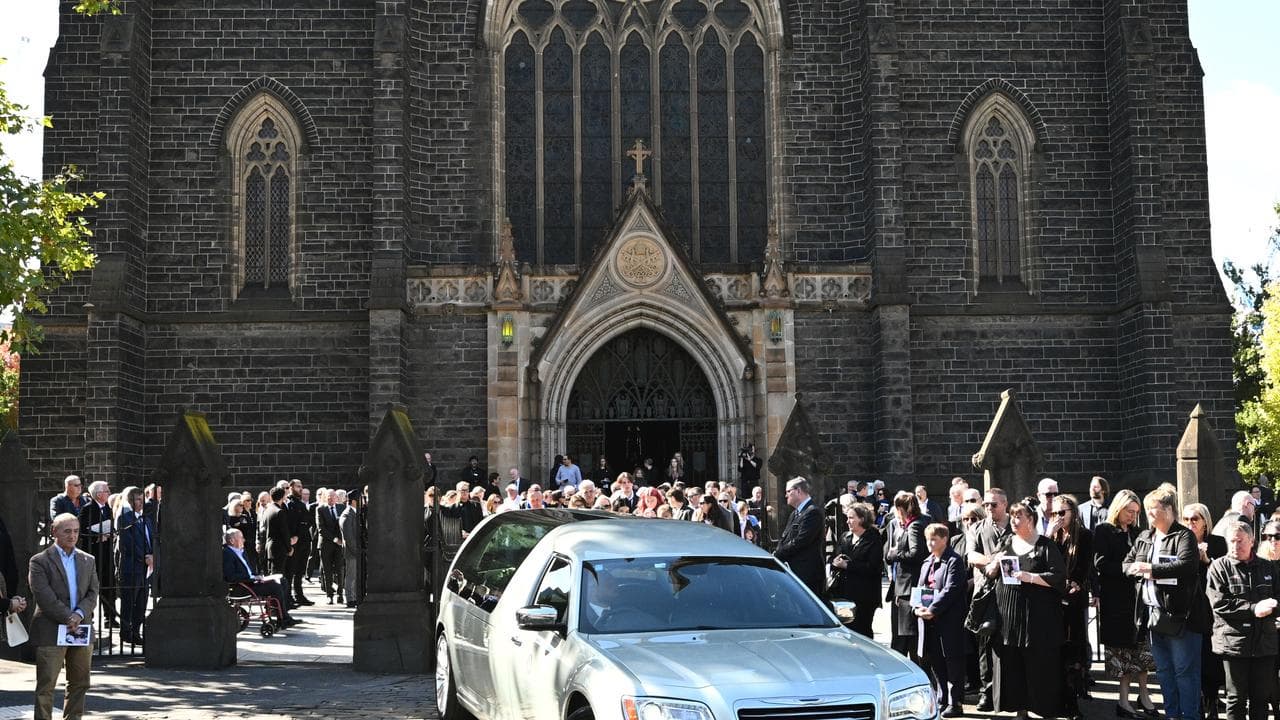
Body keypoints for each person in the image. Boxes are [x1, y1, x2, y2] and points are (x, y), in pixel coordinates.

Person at [1123, 487, 1204, 720]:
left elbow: (1187, 566)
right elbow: (1126, 565)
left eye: (1153, 508)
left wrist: (1151, 569)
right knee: (1165, 672)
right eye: (1147, 509)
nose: (1148, 513)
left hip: (1180, 617)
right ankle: (1172, 715)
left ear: (1168, 510)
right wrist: (1136, 569)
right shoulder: (1145, 537)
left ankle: (1189, 716)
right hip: (1153, 616)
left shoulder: (1183, 536)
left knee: (1184, 673)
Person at [987, 500, 1067, 720]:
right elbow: (991, 572)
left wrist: (1030, 577)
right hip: (1009, 617)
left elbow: (1059, 577)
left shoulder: (1045, 545)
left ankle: (1044, 709)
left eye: (1018, 516)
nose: (1014, 520)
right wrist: (994, 564)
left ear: (1030, 520)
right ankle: (1020, 709)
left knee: (1039, 664)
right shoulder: (1005, 542)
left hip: (1038, 619)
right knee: (1013, 664)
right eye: (1012, 516)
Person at [1094, 489, 1159, 719]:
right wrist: (1127, 568)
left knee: (1141, 652)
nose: (1132, 516)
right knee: (1122, 653)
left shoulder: (1138, 532)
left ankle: (1144, 695)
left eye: (1136, 512)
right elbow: (1101, 564)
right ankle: (1123, 701)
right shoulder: (1104, 531)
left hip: (1137, 601)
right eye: (1129, 511)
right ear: (1118, 508)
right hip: (1116, 600)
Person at [1205, 521, 1278, 720]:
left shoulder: (1267, 567)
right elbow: (1219, 604)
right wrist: (1255, 609)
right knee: (1235, 699)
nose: (1236, 546)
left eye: (1241, 541)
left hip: (1265, 643)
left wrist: (1272, 607)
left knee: (1260, 699)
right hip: (1234, 644)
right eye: (1232, 541)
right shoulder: (1219, 568)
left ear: (1252, 541)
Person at [30, 513, 100, 720]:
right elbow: (44, 596)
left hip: (80, 628)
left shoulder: (88, 559)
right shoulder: (40, 561)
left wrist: (78, 615)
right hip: (52, 629)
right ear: (54, 532)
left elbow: (93, 592)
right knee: (46, 685)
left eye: (76, 531)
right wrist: (68, 617)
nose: (72, 536)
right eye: (67, 531)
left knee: (80, 683)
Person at [914, 523, 968, 718]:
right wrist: (917, 607)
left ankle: (956, 702)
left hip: (949, 620)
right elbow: (920, 589)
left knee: (952, 661)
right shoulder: (927, 562)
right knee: (935, 660)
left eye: (934, 539)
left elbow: (951, 589)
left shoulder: (954, 561)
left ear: (944, 539)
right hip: (928, 621)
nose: (930, 543)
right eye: (928, 539)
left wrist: (933, 609)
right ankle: (942, 698)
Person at [967, 487, 1013, 711]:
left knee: (1009, 644)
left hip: (1011, 594)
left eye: (993, 504)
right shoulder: (977, 527)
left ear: (1005, 504)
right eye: (986, 504)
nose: (988, 508)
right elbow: (972, 555)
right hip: (984, 593)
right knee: (985, 644)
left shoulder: (1017, 525)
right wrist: (994, 562)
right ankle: (986, 692)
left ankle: (1008, 693)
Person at [1049, 493, 1094, 713]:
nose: (1058, 517)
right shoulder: (1054, 538)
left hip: (1074, 600)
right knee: (1056, 650)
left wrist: (1074, 582)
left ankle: (1073, 699)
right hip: (1055, 600)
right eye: (1054, 513)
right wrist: (1048, 535)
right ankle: (1059, 698)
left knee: (1074, 650)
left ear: (1073, 513)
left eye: (1062, 513)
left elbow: (1084, 567)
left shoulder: (1084, 536)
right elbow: (1046, 563)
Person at [1184, 501, 1229, 719]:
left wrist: (1207, 561)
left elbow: (1225, 574)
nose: (1190, 523)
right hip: (1189, 608)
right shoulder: (1182, 542)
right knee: (1194, 659)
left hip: (1211, 609)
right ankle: (1199, 703)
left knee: (1212, 659)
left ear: (1205, 522)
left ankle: (1212, 701)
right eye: (1186, 519)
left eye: (1195, 519)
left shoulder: (1217, 542)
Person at [222, 528, 299, 628]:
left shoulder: (242, 551)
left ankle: (280, 615)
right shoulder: (227, 554)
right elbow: (230, 576)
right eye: (241, 538)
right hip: (242, 586)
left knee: (282, 581)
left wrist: (257, 576)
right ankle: (284, 618)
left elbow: (249, 570)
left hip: (251, 582)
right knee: (275, 586)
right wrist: (252, 578)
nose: (244, 540)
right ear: (232, 541)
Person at [885, 490, 929, 658]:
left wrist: (895, 554)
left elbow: (915, 554)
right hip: (907, 586)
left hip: (909, 586)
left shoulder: (915, 526)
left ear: (900, 509)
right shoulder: (920, 522)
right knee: (905, 636)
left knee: (907, 636)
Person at [830, 502, 882, 637]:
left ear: (862, 519)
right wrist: (835, 563)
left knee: (862, 630)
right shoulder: (845, 537)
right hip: (844, 592)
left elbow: (874, 567)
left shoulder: (873, 538)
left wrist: (848, 566)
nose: (848, 521)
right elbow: (834, 557)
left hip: (864, 594)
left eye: (851, 518)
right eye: (847, 518)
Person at [77, 480, 118, 631]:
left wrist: (111, 534)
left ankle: (110, 617)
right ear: (99, 494)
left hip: (106, 552)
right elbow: (81, 531)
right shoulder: (88, 509)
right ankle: (89, 617)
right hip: (93, 553)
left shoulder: (107, 508)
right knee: (90, 586)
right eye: (106, 491)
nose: (109, 493)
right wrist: (97, 537)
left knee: (109, 585)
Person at [774, 477, 825, 599]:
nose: (786, 495)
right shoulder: (795, 513)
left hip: (807, 574)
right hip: (794, 571)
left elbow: (801, 541)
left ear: (798, 491)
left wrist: (778, 553)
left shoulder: (812, 512)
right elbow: (786, 537)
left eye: (788, 491)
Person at [116, 486, 154, 646]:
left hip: (147, 566)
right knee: (129, 601)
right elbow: (128, 543)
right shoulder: (125, 517)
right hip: (132, 566)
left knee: (142, 601)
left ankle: (136, 631)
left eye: (142, 499)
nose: (140, 502)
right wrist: (143, 557)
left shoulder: (146, 519)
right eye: (137, 499)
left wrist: (153, 556)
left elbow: (152, 539)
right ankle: (126, 632)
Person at [315, 489, 344, 604]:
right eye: (329, 497)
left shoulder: (341, 508)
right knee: (327, 571)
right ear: (325, 498)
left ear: (337, 498)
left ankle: (340, 594)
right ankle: (329, 595)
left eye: (333, 496)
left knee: (340, 569)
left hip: (339, 544)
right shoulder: (320, 509)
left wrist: (341, 539)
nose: (331, 499)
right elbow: (321, 528)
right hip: (326, 544)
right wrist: (334, 539)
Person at [339, 493, 362, 608]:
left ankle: (355, 597)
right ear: (353, 501)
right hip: (351, 551)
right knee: (351, 576)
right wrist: (356, 550)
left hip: (356, 550)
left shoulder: (354, 513)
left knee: (355, 576)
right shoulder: (347, 514)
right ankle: (350, 598)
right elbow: (349, 537)